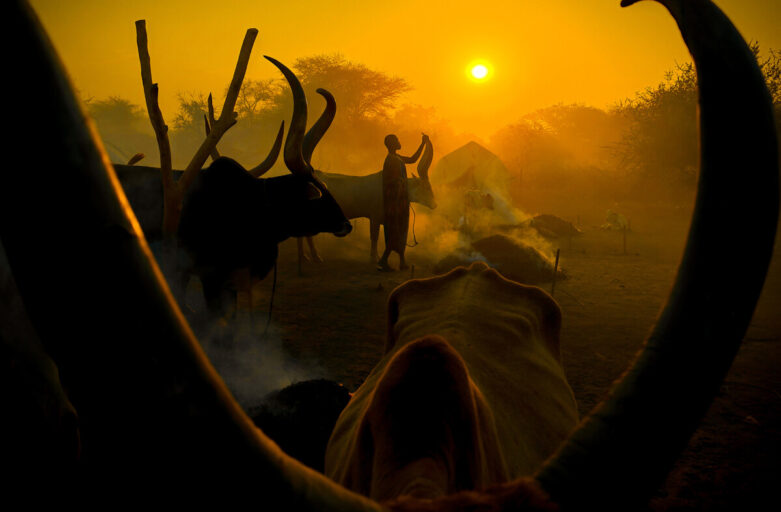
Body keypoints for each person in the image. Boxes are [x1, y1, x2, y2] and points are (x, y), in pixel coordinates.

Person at [378, 133, 428, 271]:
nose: (400, 141)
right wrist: (401, 182)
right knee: (395, 230)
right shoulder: (391, 160)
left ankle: (402, 261)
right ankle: (383, 260)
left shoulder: (396, 158)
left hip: (400, 201)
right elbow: (390, 182)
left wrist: (423, 144)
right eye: (397, 140)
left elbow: (413, 159)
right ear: (392, 144)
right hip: (395, 202)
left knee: (400, 229)